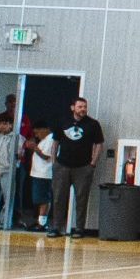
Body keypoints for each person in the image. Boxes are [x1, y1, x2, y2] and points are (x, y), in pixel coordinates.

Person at [47, 97, 104, 238]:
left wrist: (92, 164)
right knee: (58, 197)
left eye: (85, 106)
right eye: (80, 107)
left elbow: (99, 144)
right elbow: (55, 142)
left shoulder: (93, 124)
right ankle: (56, 227)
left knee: (81, 198)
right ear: (73, 107)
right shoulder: (62, 121)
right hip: (62, 165)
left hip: (83, 167)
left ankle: (79, 229)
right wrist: (54, 162)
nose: (83, 109)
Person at [0, 113, 19, 230]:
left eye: (5, 124)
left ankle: (4, 220)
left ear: (11, 125)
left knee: (8, 196)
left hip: (8, 170)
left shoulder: (16, 137)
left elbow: (18, 155)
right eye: (0, 124)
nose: (2, 126)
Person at [26, 122, 55, 230]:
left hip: (44, 174)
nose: (37, 135)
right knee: (39, 198)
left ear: (45, 129)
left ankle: (42, 223)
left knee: (44, 199)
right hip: (38, 173)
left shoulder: (51, 139)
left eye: (37, 132)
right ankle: (40, 220)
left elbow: (46, 156)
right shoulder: (44, 140)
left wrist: (34, 147)